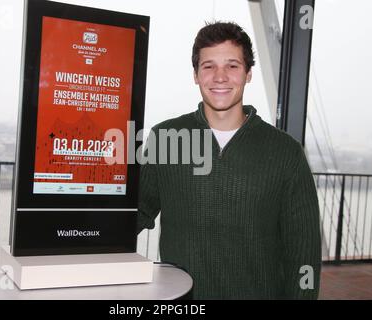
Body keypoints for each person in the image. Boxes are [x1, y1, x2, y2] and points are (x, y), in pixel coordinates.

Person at [137, 22, 321, 299]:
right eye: (208, 66)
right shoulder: (165, 138)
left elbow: (303, 250)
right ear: (196, 75)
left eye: (232, 66)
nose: (219, 77)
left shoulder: (286, 152)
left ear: (248, 74)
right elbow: (134, 213)